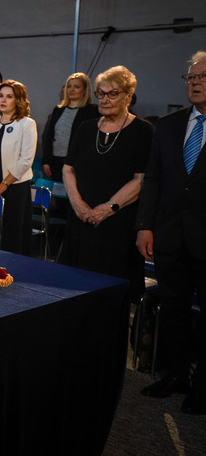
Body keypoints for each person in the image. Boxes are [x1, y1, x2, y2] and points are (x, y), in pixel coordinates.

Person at [136, 52, 206, 414]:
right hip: (168, 235)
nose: (195, 82)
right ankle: (177, 374)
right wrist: (145, 226)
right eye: (190, 77)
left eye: (203, 76)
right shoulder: (168, 125)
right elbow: (153, 178)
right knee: (174, 309)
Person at [62, 66, 153, 301]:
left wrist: (108, 208)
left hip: (118, 224)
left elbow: (141, 179)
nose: (104, 99)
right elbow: (68, 168)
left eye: (113, 94)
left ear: (128, 97)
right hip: (81, 218)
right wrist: (78, 204)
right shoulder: (86, 127)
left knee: (110, 294)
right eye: (100, 93)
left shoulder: (143, 131)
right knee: (72, 287)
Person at [0, 80, 37, 256]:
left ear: (18, 100)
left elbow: (26, 160)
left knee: (12, 232)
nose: (3, 100)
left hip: (14, 186)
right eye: (1, 96)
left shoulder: (26, 123)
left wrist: (4, 184)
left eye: (9, 97)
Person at [41, 72, 100, 182]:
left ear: (85, 90)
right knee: (57, 191)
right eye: (69, 86)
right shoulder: (58, 110)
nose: (72, 90)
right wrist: (46, 161)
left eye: (77, 87)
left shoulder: (92, 111)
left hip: (78, 162)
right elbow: (49, 136)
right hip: (56, 161)